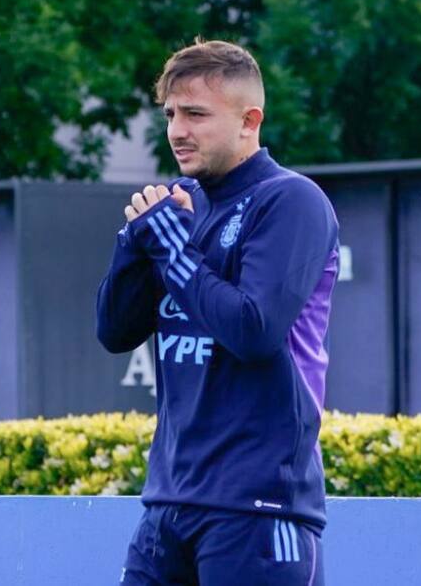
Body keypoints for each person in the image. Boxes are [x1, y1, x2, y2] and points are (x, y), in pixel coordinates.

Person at [96, 39, 340, 586]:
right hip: (167, 504)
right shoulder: (181, 205)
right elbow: (113, 331)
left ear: (249, 120)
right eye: (171, 114)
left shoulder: (291, 201)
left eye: (197, 114)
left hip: (260, 508)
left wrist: (171, 248)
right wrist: (134, 245)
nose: (177, 130)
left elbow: (253, 331)